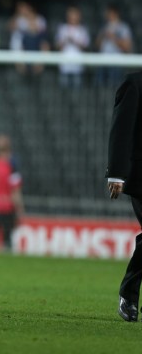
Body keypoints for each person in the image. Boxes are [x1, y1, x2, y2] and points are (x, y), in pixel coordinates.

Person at [106, 71, 142, 322]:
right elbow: (121, 128)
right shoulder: (135, 83)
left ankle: (128, 294)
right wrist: (117, 173)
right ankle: (128, 295)